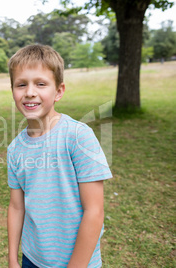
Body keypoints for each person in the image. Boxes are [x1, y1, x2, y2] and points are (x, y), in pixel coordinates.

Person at [7, 44, 113, 268]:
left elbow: (94, 211)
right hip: (32, 258)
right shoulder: (15, 149)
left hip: (78, 262)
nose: (29, 92)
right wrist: (12, 259)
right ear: (13, 90)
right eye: (21, 84)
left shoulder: (78, 136)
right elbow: (17, 207)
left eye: (41, 84)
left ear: (59, 91)